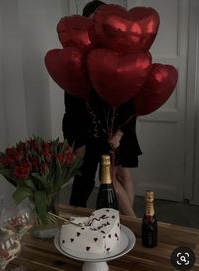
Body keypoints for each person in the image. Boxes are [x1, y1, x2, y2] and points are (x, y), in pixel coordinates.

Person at [62, 0, 142, 217]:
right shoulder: (78, 55)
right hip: (91, 130)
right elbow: (72, 100)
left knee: (120, 176)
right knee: (86, 179)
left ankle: (128, 221)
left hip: (118, 125)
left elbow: (131, 95)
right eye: (91, 21)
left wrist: (122, 131)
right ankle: (74, 221)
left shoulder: (118, 51)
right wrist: (74, 140)